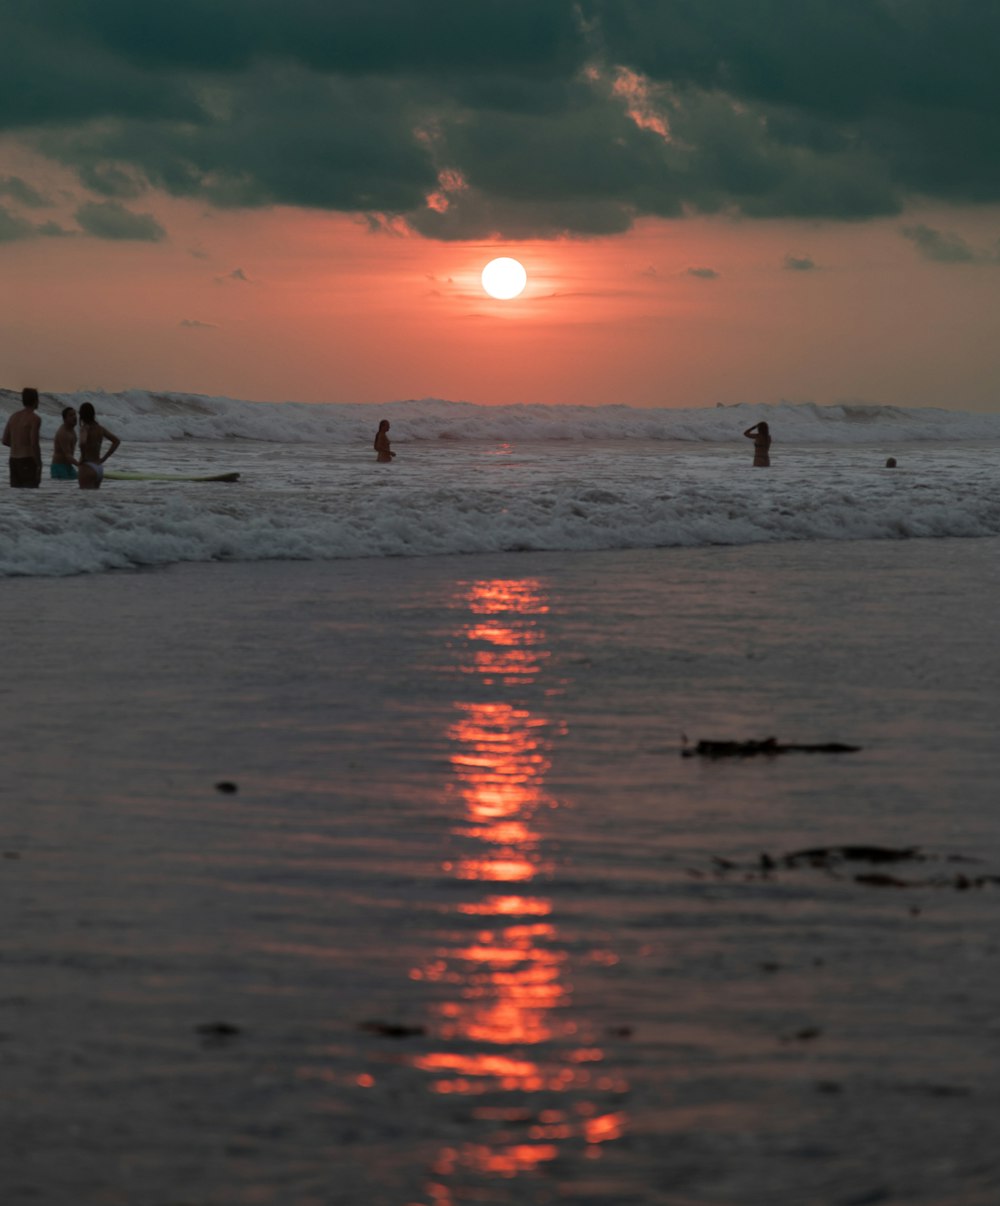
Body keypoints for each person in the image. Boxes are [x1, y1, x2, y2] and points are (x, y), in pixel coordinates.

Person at [2, 386, 42, 488]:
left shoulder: (13, 416)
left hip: (13, 460)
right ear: (35, 400)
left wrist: (18, 446)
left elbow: (5, 440)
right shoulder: (35, 419)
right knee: (31, 494)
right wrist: (39, 464)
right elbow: (34, 443)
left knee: (17, 495)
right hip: (27, 460)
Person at [77, 401, 120, 489]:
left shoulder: (84, 428)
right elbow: (116, 441)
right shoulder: (100, 428)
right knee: (95, 499)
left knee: (84, 499)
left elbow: (82, 443)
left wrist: (83, 456)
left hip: (87, 466)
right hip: (99, 467)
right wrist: (104, 458)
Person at [51, 406, 80, 480]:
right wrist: (81, 465)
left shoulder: (72, 431)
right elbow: (68, 455)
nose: (74, 417)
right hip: (59, 467)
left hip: (68, 466)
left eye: (74, 414)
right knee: (63, 490)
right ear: (64, 419)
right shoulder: (63, 433)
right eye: (71, 415)